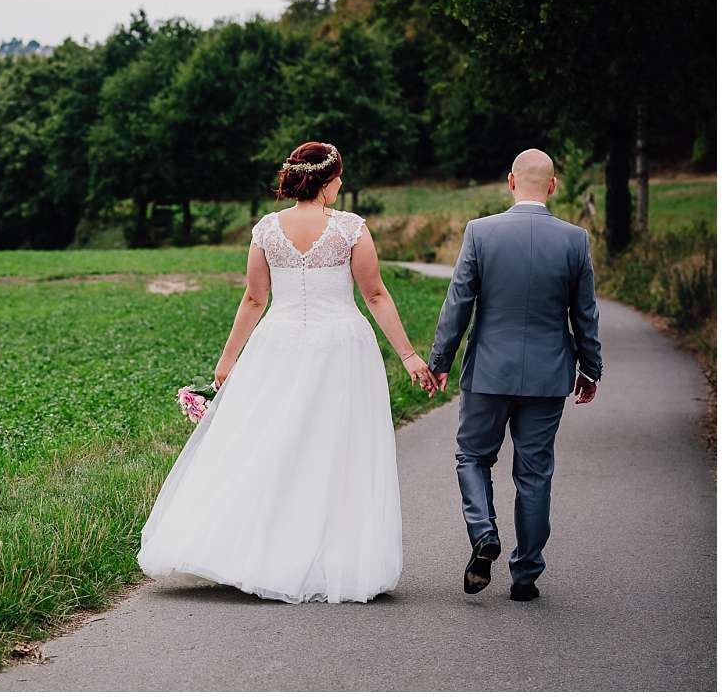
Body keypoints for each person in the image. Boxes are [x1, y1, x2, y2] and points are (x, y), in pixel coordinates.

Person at [138, 142, 436, 603]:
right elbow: (375, 294)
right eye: (340, 177)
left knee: (270, 442)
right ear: (326, 179)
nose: (342, 184)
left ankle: (255, 552)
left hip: (275, 344)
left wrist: (227, 360)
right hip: (340, 346)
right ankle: (328, 558)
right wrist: (409, 356)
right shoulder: (350, 229)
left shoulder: (266, 229)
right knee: (335, 450)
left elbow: (254, 299)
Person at [428, 148, 602, 601]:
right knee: (535, 474)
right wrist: (591, 367)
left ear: (510, 181)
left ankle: (484, 532)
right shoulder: (574, 240)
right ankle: (525, 575)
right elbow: (585, 313)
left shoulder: (480, 233)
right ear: (553, 185)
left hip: (488, 371)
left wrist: (440, 361)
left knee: (472, 456)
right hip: (548, 376)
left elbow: (458, 303)